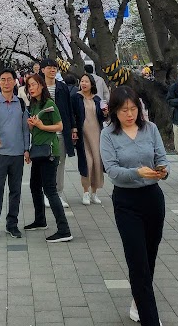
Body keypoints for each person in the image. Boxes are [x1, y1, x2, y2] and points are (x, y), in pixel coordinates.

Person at [100, 86, 168, 326]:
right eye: (124, 110)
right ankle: (151, 318)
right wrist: (137, 172)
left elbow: (161, 158)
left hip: (153, 199)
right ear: (114, 112)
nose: (129, 114)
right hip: (126, 202)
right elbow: (113, 171)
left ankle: (138, 302)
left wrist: (162, 171)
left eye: (133, 109)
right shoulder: (108, 135)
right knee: (137, 262)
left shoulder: (150, 129)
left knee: (149, 257)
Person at [24, 73, 73, 242]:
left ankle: (64, 229)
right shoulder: (34, 105)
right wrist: (32, 127)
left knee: (50, 190)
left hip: (50, 152)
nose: (31, 88)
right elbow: (35, 130)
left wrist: (41, 125)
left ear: (42, 86)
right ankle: (40, 220)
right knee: (34, 186)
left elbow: (60, 126)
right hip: (37, 150)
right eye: (29, 85)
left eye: (34, 85)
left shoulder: (49, 104)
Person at [0, 68, 30, 242]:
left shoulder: (22, 103)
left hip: (17, 154)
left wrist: (26, 149)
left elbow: (25, 129)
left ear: (15, 81)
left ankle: (12, 225)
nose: (6, 82)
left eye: (9, 79)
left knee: (15, 191)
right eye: (2, 79)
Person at [39, 59, 76, 208]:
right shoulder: (38, 86)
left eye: (54, 68)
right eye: (49, 68)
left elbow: (69, 108)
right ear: (42, 70)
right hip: (43, 132)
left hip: (61, 131)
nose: (52, 70)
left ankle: (58, 194)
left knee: (60, 163)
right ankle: (46, 193)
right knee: (46, 163)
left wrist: (73, 127)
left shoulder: (62, 87)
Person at [71, 73, 105, 205]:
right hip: (83, 134)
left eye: (86, 82)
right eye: (82, 81)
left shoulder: (97, 99)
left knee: (97, 162)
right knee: (87, 162)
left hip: (96, 133)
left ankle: (94, 192)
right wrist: (74, 128)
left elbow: (102, 117)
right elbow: (72, 114)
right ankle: (85, 192)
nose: (83, 84)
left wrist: (105, 113)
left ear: (92, 84)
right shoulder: (76, 97)